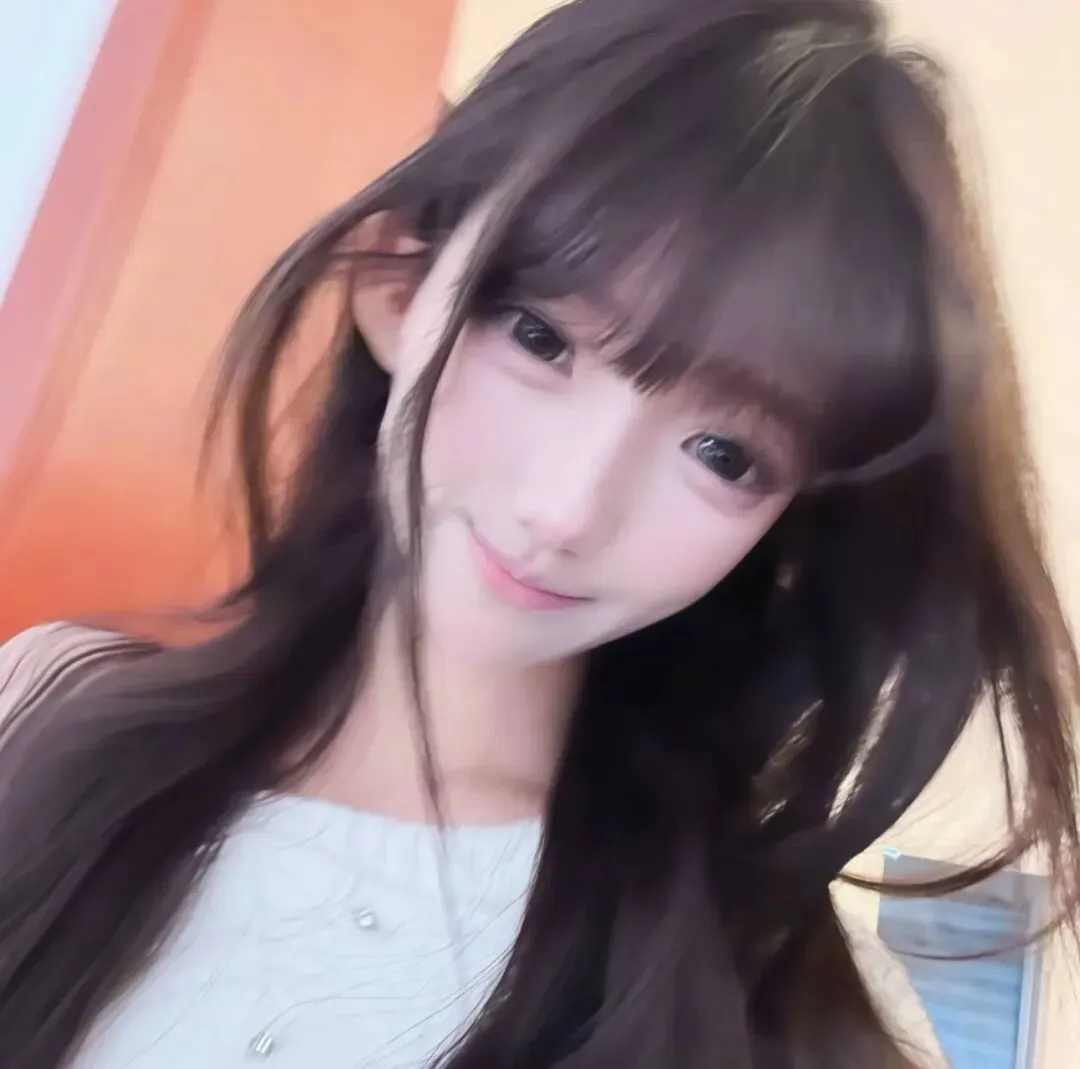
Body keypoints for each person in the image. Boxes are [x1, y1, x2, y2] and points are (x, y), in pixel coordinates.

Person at [0, 0, 1076, 1066]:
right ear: (400, 277)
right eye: (539, 338)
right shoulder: (49, 710)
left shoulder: (774, 1019)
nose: (567, 510)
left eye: (724, 453)